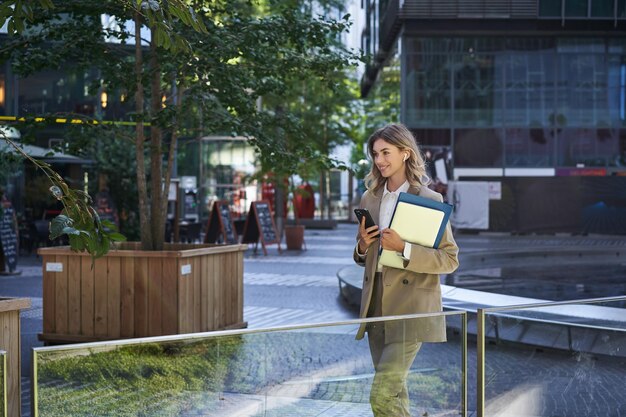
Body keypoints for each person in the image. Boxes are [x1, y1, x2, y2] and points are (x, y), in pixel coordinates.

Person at [353, 123, 459, 417]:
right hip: (375, 306)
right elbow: (363, 256)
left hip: (411, 307)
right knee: (394, 394)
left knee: (382, 394)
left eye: (386, 152)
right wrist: (363, 246)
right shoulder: (370, 197)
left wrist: (404, 248)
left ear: (405, 153)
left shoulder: (429, 200)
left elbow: (449, 259)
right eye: (375, 154)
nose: (379, 160)